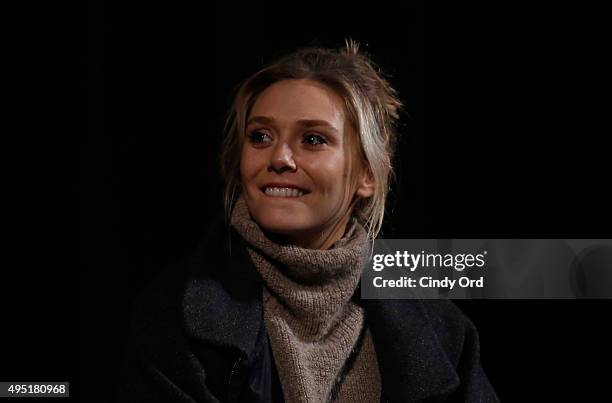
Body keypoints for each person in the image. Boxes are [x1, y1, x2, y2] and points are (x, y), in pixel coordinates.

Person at [117, 39, 499, 402]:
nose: (279, 158)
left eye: (313, 139)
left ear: (368, 173)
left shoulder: (442, 330)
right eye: (260, 136)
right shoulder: (173, 313)